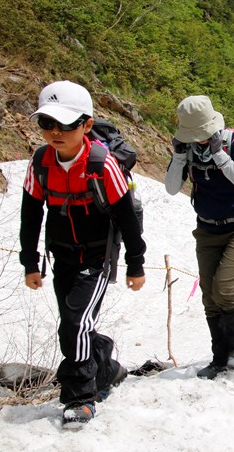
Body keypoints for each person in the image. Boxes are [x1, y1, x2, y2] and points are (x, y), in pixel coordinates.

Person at [19, 81, 146, 427]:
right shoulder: (41, 162)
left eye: (67, 124)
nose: (56, 132)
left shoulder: (102, 165)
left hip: (98, 256)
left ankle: (80, 397)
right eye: (47, 123)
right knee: (76, 325)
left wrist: (136, 264)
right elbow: (31, 214)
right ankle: (106, 365)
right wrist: (30, 261)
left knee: (74, 323)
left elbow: (126, 218)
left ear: (86, 125)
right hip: (62, 256)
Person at [165, 95, 234, 380]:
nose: (199, 140)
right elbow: (171, 187)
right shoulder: (188, 150)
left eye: (202, 135)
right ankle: (219, 357)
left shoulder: (231, 142)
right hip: (207, 229)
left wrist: (219, 154)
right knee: (209, 295)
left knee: (225, 290)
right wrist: (180, 155)